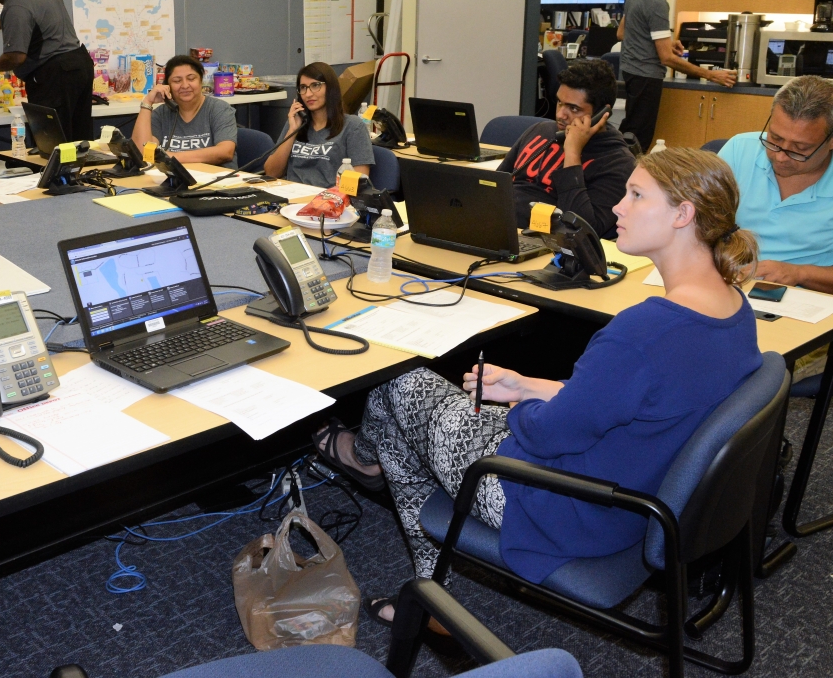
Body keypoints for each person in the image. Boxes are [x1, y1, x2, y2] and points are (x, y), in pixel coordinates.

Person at [313, 147, 761, 624]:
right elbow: (627, 403)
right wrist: (530, 385)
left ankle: (426, 593)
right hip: (634, 503)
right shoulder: (733, 307)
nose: (617, 207)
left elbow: (549, 434)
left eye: (635, 195)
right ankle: (381, 486)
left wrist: (519, 410)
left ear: (683, 214)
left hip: (559, 506)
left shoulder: (645, 330)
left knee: (396, 387)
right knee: (411, 412)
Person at [717, 74, 833, 293]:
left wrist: (799, 273)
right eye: (775, 139)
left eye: (800, 149)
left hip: (809, 301)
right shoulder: (739, 150)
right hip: (729, 285)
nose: (780, 157)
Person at [498, 59, 635, 239]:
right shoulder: (541, 131)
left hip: (546, 243)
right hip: (501, 228)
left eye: (573, 108)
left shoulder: (618, 163)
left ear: (603, 112)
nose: (560, 115)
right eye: (560, 103)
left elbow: (583, 231)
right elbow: (497, 185)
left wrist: (572, 153)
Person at [618, 0, 735, 151]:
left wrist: (664, 42)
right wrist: (711, 75)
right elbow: (667, 59)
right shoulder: (656, 1)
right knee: (638, 140)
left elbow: (622, 33)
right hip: (647, 76)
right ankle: (626, 179)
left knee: (630, 131)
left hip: (631, 73)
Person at [0, 0, 96, 142]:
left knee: (54, 145)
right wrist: (5, 24)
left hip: (55, 77)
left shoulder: (15, 6)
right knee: (80, 141)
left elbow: (15, 57)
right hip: (79, 64)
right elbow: (40, 22)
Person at [264, 63, 374, 187]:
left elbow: (359, 180)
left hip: (328, 200)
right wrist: (292, 131)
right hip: (291, 196)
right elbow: (271, 172)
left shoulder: (353, 126)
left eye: (315, 85)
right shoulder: (296, 122)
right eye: (303, 87)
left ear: (331, 88)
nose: (308, 94)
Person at [133, 55, 239, 168]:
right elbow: (141, 152)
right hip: (174, 181)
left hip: (216, 182)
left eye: (191, 78)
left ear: (201, 81)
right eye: (177, 81)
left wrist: (171, 157)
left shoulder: (219, 109)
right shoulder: (161, 113)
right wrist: (147, 103)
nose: (184, 85)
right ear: (167, 86)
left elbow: (225, 152)